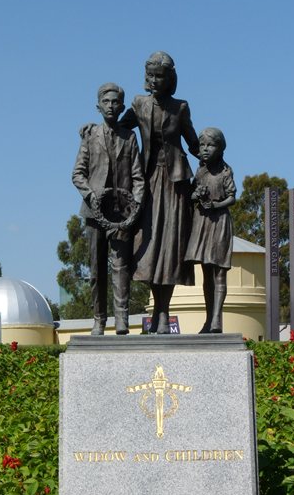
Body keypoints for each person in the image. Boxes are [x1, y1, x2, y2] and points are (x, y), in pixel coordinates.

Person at [120, 51, 199, 334]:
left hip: (176, 183)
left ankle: (163, 314)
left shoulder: (181, 108)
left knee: (171, 248)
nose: (154, 80)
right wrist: (92, 130)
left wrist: (215, 163)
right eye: (150, 75)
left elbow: (193, 143)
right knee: (149, 247)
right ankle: (158, 311)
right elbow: (118, 127)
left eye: (159, 76)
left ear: (170, 79)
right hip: (148, 182)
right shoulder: (139, 104)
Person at [72, 83, 145, 335]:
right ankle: (98, 319)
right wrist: (91, 196)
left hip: (122, 214)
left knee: (121, 266)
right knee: (96, 269)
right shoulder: (90, 136)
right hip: (94, 213)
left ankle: (122, 318)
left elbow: (138, 177)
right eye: (107, 102)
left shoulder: (130, 138)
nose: (111, 106)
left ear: (122, 107)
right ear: (98, 106)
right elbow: (78, 174)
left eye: (116, 102)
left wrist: (135, 205)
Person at [184, 128, 236, 333]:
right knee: (206, 273)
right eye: (202, 145)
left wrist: (216, 205)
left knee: (219, 273)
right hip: (202, 223)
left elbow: (233, 197)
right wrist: (196, 194)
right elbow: (189, 196)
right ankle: (208, 320)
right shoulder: (200, 171)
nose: (205, 149)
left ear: (221, 148)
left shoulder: (225, 172)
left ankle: (217, 320)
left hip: (219, 223)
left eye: (211, 145)